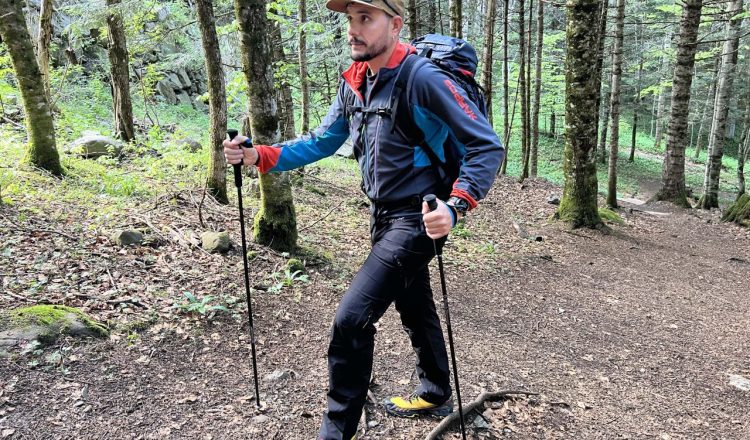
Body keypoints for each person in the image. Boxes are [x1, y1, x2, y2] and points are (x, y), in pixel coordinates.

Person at [224, 1, 504, 438]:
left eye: (365, 19)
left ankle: (336, 431)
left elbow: (486, 146)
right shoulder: (355, 82)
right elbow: (322, 141)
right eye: (350, 20)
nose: (353, 30)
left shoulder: (422, 79)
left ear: (395, 25)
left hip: (419, 218)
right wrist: (259, 154)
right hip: (382, 213)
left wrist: (457, 204)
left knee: (351, 320)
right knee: (413, 302)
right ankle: (435, 391)